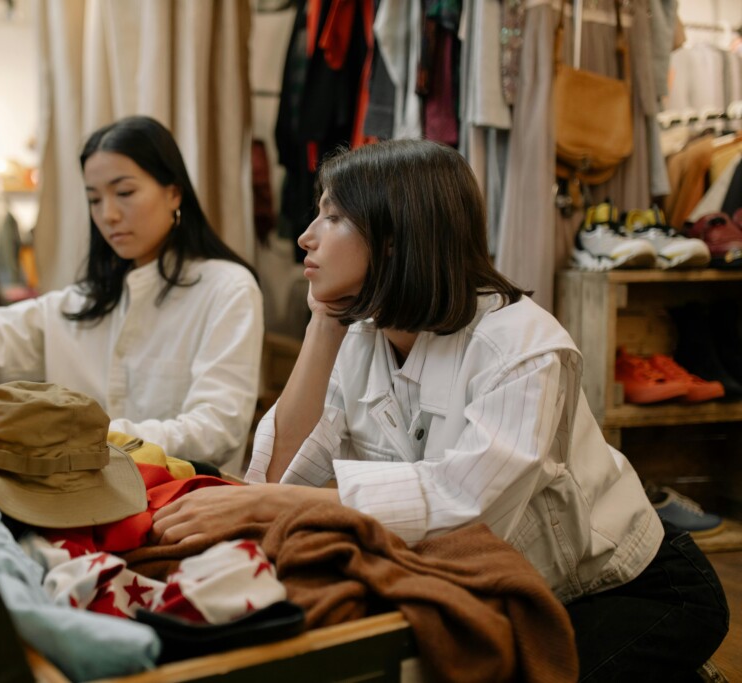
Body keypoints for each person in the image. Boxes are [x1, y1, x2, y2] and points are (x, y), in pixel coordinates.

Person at [151, 139, 728, 679]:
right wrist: (323, 323)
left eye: (332, 217)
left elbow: (467, 512)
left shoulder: (521, 347)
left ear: (396, 237)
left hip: (629, 587)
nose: (305, 237)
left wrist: (268, 503)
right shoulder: (363, 335)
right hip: (503, 587)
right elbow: (277, 478)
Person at [0, 116, 263, 473]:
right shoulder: (82, 302)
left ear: (174, 193)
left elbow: (216, 429)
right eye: (94, 199)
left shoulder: (227, 288)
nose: (108, 214)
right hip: (75, 500)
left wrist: (85, 437)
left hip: (183, 501)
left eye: (125, 192)